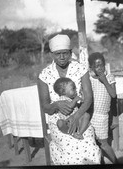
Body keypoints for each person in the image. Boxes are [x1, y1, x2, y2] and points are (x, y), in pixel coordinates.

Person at [37, 34, 101, 165]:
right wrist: (56, 105)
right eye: (57, 54)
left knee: (91, 149)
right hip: (58, 121)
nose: (61, 57)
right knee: (70, 155)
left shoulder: (80, 69)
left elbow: (88, 99)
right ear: (51, 54)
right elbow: (45, 107)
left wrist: (76, 116)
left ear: (71, 53)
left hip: (80, 116)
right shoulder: (44, 75)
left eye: (65, 53)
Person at [88, 52, 118, 164]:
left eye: (102, 65)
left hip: (102, 116)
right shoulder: (90, 80)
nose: (100, 68)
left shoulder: (110, 77)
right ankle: (100, 161)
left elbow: (113, 95)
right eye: (96, 66)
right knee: (94, 142)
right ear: (91, 67)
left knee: (104, 143)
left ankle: (116, 162)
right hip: (92, 115)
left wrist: (104, 80)